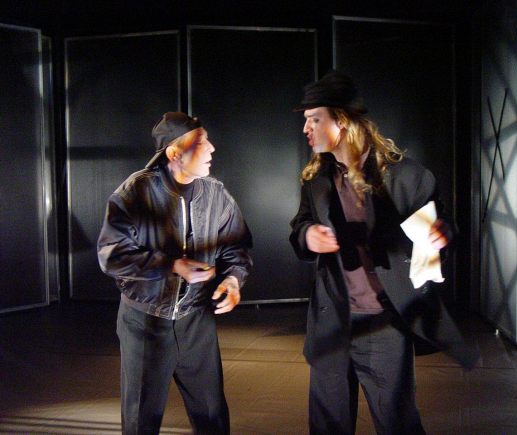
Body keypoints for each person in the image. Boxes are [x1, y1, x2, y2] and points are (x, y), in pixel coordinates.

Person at [290, 71, 478, 434]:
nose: (306, 129)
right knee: (327, 425)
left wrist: (441, 234)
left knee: (398, 422)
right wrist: (307, 235)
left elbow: (442, 226)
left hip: (384, 324)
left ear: (342, 120)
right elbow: (299, 226)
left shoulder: (406, 176)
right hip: (331, 324)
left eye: (314, 119)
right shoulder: (316, 179)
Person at [97, 112, 252, 435]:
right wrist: (170, 265)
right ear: (174, 153)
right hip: (145, 322)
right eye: (201, 142)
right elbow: (112, 255)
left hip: (196, 320)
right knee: (141, 419)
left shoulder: (215, 194)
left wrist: (233, 280)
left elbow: (236, 246)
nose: (211, 148)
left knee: (212, 414)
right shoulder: (136, 192)